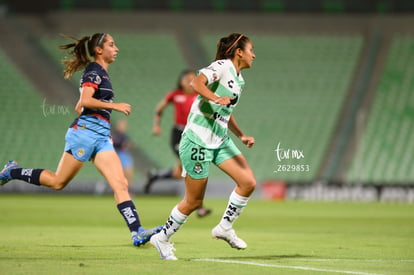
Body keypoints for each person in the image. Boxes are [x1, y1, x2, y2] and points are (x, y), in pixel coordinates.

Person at [0, 33, 161, 246]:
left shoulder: (102, 73)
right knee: (58, 182)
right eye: (112, 45)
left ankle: (137, 231)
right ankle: (12, 171)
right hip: (84, 134)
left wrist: (100, 121)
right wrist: (115, 106)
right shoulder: (94, 71)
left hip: (101, 137)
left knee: (121, 184)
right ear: (99, 50)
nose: (117, 49)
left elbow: (81, 104)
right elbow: (85, 100)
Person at [150, 33, 256, 260]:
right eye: (251, 50)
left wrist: (241, 135)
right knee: (194, 201)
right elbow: (196, 83)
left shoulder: (239, 80)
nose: (253, 55)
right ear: (239, 52)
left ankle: (224, 228)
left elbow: (227, 112)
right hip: (197, 140)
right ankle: (162, 238)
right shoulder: (222, 66)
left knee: (248, 183)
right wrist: (214, 98)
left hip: (220, 140)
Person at [145, 69, 212, 218]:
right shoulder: (175, 95)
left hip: (194, 134)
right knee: (191, 167)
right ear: (181, 81)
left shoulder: (198, 96)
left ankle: (155, 175)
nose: (190, 82)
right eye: (187, 79)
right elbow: (159, 108)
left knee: (179, 173)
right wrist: (156, 125)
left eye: (193, 79)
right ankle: (198, 206)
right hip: (178, 135)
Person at [112, 118, 134, 186]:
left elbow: (129, 145)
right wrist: (123, 144)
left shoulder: (125, 136)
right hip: (117, 155)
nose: (123, 127)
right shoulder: (115, 135)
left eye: (124, 125)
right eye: (121, 125)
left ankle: (128, 190)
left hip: (124, 154)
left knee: (128, 173)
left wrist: (127, 145)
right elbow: (113, 142)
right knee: (117, 174)